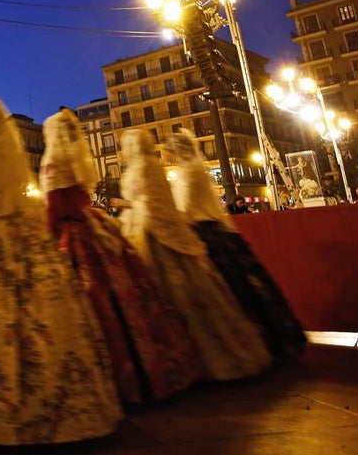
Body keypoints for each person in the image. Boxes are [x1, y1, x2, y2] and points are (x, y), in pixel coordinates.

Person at [0, 97, 122, 444]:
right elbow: (29, 198)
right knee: (48, 313)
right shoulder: (13, 154)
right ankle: (62, 404)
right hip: (24, 236)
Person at [41, 108, 199, 405]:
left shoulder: (51, 163)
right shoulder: (76, 163)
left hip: (69, 234)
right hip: (94, 226)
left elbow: (53, 208)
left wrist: (43, 236)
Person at [117, 129, 271, 382]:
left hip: (156, 234)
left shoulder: (152, 169)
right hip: (164, 229)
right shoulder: (155, 166)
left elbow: (163, 204)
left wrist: (128, 205)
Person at [164, 128, 306, 361]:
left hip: (205, 235)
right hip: (217, 234)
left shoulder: (190, 172)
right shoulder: (191, 170)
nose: (167, 155)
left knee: (231, 291)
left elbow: (187, 209)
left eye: (168, 150)